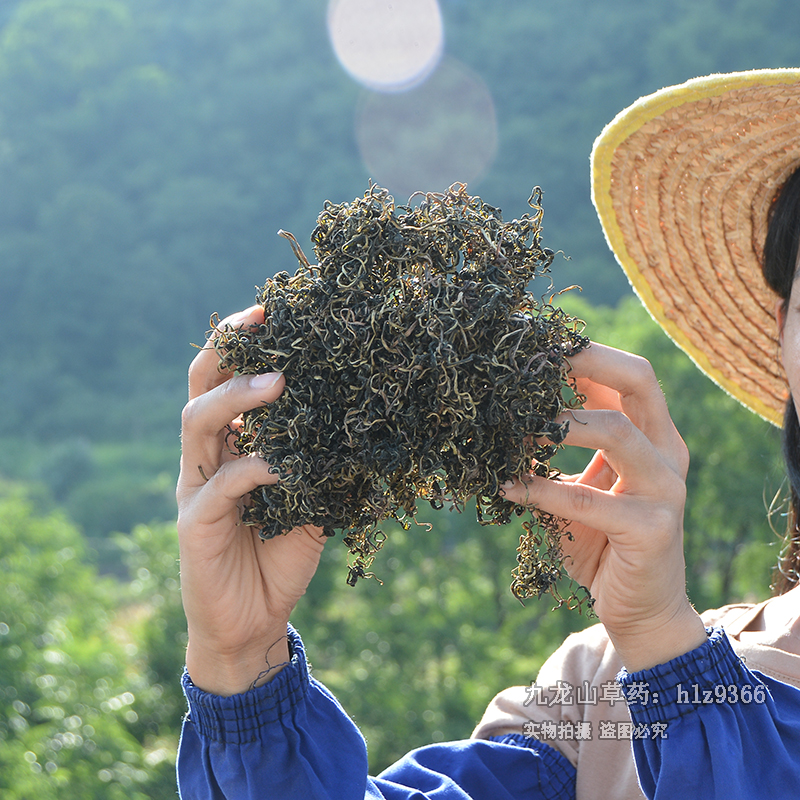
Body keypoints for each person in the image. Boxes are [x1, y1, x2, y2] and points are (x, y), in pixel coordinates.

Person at [175, 69, 800, 799]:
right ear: (781, 340)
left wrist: (669, 646)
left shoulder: (659, 657)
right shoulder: (598, 692)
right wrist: (241, 660)